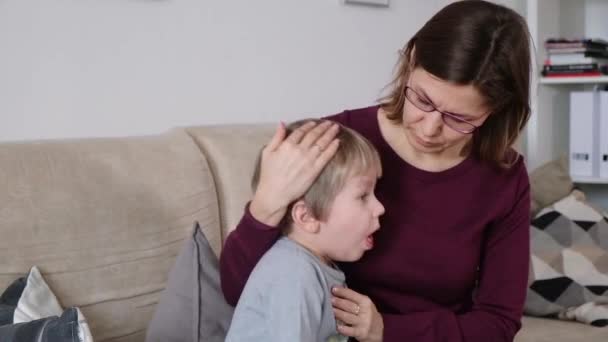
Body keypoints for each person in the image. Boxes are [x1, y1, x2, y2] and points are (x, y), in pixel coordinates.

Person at [220, 1, 532, 341]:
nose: (429, 129)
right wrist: (266, 204)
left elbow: (498, 323)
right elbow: (243, 293)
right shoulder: (338, 144)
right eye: (423, 100)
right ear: (411, 60)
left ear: (495, 111)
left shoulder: (504, 178)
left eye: (460, 119)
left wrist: (386, 330)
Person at [225, 119, 385, 342]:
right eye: (363, 196)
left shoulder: (316, 266)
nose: (380, 208)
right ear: (306, 217)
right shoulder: (294, 274)